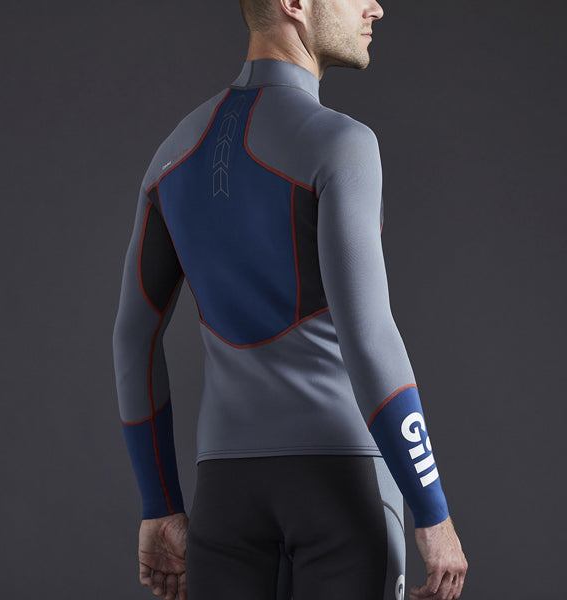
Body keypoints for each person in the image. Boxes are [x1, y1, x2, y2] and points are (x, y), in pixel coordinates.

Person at [111, 0, 469, 599]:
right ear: (295, 4)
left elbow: (133, 338)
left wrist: (160, 504)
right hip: (340, 489)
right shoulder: (341, 144)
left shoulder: (172, 156)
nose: (376, 8)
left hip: (225, 501)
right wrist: (432, 509)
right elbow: (369, 337)